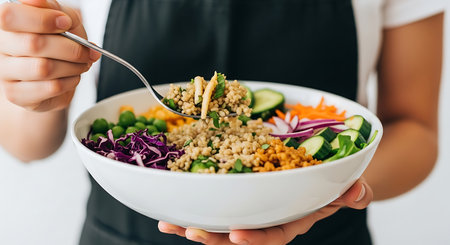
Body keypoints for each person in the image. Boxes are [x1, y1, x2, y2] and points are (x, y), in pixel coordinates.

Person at [0, 0, 444, 244]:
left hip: (323, 234)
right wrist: (42, 82)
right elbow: (26, 144)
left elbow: (415, 129)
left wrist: (328, 191)